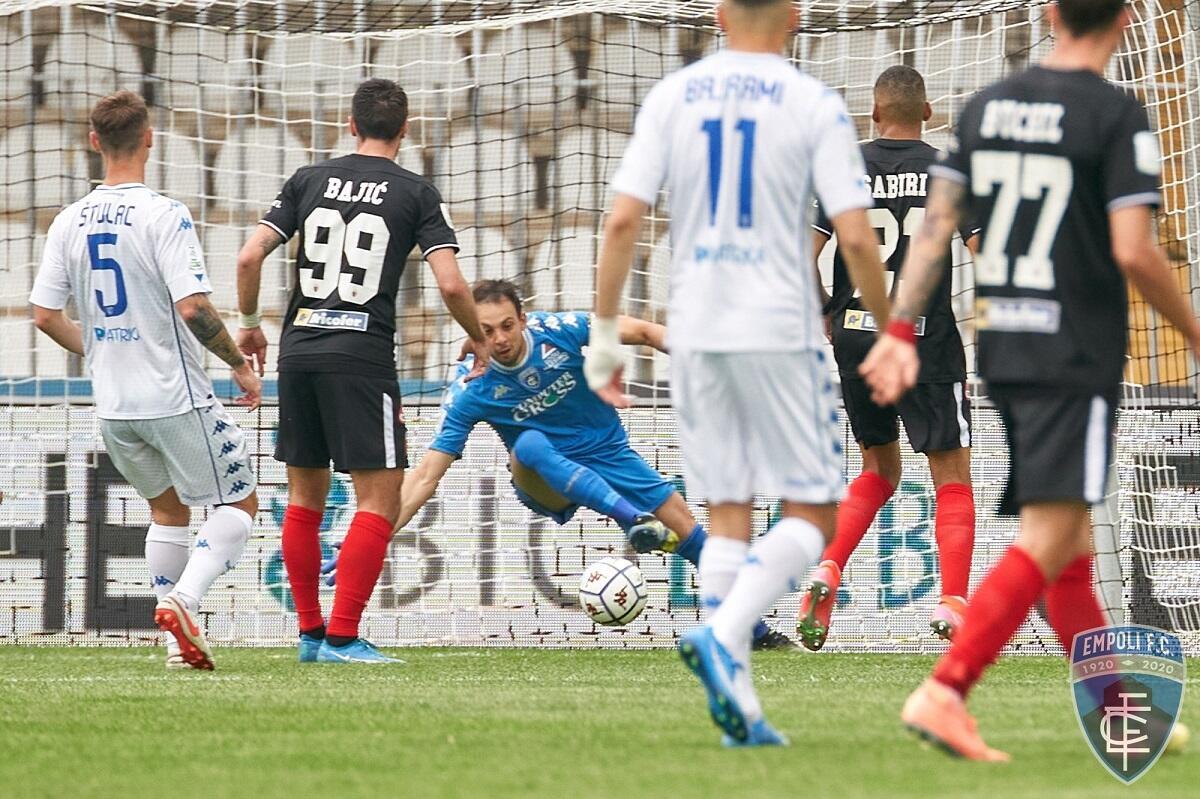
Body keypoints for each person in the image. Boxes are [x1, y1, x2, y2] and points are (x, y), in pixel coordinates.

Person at [860, 0, 1200, 761]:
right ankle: (946, 689)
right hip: (1073, 352)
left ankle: (1120, 711)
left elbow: (935, 227)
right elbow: (1135, 250)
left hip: (1004, 348)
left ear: (1050, 13)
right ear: (1124, 19)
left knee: (1069, 548)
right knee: (1049, 537)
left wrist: (901, 329)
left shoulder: (987, 107)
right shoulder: (1114, 115)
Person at [589, 0, 890, 746]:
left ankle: (743, 711)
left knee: (727, 511)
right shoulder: (812, 103)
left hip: (697, 328)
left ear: (719, 15)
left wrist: (604, 332)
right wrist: (891, 326)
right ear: (795, 15)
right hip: (778, 327)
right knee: (814, 514)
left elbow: (621, 220)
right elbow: (855, 237)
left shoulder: (674, 95)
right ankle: (725, 634)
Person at [394, 279, 796, 650]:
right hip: (542, 479)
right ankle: (632, 519)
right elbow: (427, 474)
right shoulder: (471, 386)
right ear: (471, 332)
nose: (499, 339)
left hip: (608, 452)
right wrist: (378, 531)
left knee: (687, 528)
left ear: (523, 320)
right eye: (486, 331)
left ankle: (757, 632)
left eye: (506, 326)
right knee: (529, 444)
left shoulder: (559, 330)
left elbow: (644, 332)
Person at [235, 78, 488, 664]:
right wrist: (477, 337)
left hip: (299, 351)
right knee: (378, 498)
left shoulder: (308, 179)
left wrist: (249, 323)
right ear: (405, 131)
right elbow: (452, 284)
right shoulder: (416, 192)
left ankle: (310, 634)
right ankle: (343, 637)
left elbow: (248, 256)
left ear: (350, 125)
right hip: (361, 356)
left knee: (304, 498)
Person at [30, 90, 261, 671]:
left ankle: (176, 643)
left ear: (94, 142)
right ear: (150, 139)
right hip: (173, 395)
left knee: (168, 511)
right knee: (240, 502)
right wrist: (237, 363)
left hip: (114, 405)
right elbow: (194, 307)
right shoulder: (164, 213)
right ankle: (184, 600)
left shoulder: (67, 221)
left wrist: (101, 350)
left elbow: (44, 316)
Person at [799, 66, 980, 650]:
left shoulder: (843, 166)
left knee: (879, 468)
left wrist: (826, 310)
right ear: (927, 111)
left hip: (855, 334)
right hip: (924, 339)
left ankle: (829, 569)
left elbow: (804, 251)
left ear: (874, 113)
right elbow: (984, 249)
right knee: (951, 473)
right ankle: (952, 602)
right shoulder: (949, 170)